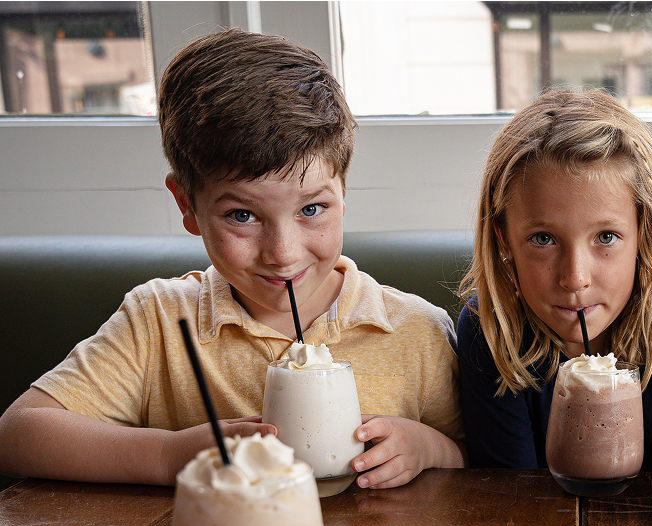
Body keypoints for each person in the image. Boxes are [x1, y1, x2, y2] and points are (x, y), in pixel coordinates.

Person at [0, 28, 463, 488]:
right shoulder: (159, 322)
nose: (283, 253)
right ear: (187, 206)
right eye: (242, 215)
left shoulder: (414, 330)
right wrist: (167, 454)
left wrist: (426, 447)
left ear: (343, 194)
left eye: (311, 209)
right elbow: (18, 434)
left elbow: (484, 460)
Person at [456, 88, 652, 473]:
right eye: (543, 239)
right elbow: (513, 504)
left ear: (645, 232)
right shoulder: (491, 330)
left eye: (606, 237)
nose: (574, 278)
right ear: (505, 239)